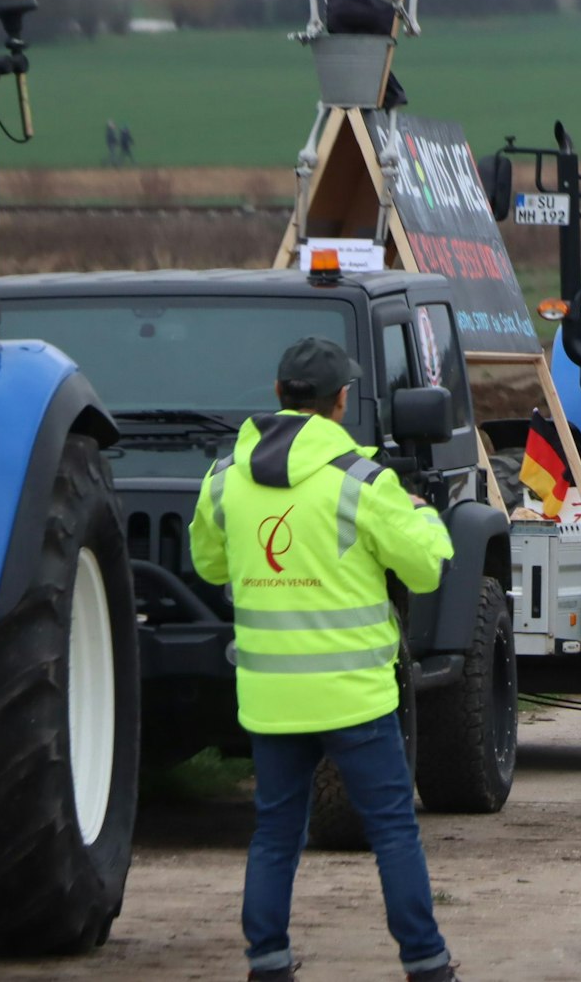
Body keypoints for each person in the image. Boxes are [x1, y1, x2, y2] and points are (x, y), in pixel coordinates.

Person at [189, 337, 457, 982]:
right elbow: (424, 571)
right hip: (355, 697)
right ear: (341, 402)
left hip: (271, 698)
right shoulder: (362, 482)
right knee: (393, 831)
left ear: (279, 395)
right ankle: (425, 963)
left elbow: (210, 564)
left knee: (276, 832)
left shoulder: (225, 477)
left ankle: (269, 962)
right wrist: (423, 518)